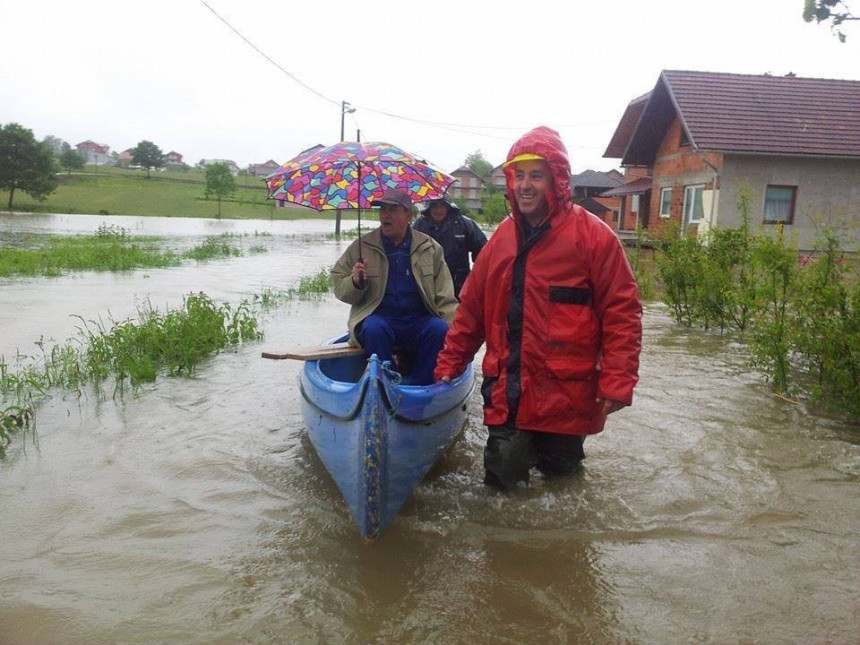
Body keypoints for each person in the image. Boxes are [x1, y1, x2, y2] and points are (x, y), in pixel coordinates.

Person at [434, 126, 642, 490]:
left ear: (557, 180)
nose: (524, 185)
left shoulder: (594, 238)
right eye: (518, 176)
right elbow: (471, 311)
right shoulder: (500, 238)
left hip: (566, 396)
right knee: (500, 488)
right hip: (508, 392)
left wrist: (618, 381)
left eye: (536, 175)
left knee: (563, 486)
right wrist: (450, 363)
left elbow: (622, 314)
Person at [331, 188, 458, 385]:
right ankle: (385, 384)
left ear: (409, 215)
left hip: (418, 320)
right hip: (382, 320)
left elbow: (445, 298)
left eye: (392, 209)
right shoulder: (362, 246)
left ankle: (421, 386)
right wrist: (355, 282)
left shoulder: (431, 248)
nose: (385, 215)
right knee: (374, 328)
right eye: (382, 209)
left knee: (438, 328)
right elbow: (339, 285)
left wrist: (455, 338)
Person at [413, 197, 488, 299]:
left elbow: (484, 253)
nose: (438, 210)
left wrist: (476, 279)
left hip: (458, 286)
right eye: (434, 206)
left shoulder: (465, 224)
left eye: (442, 206)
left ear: (448, 207)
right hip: (427, 285)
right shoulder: (419, 225)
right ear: (429, 208)